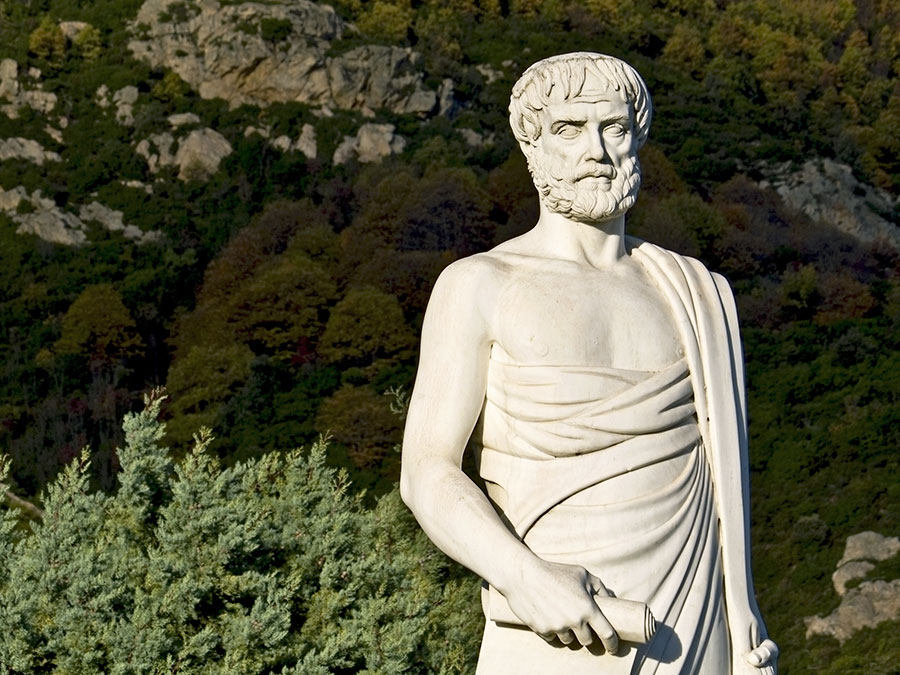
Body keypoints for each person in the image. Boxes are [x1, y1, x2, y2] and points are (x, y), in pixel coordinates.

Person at [400, 52, 778, 674]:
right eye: (569, 130)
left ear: (638, 139)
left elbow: (720, 485)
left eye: (614, 128)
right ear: (534, 147)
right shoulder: (481, 284)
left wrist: (745, 613)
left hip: (697, 618)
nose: (597, 151)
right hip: (558, 625)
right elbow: (426, 471)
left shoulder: (695, 291)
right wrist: (524, 577)